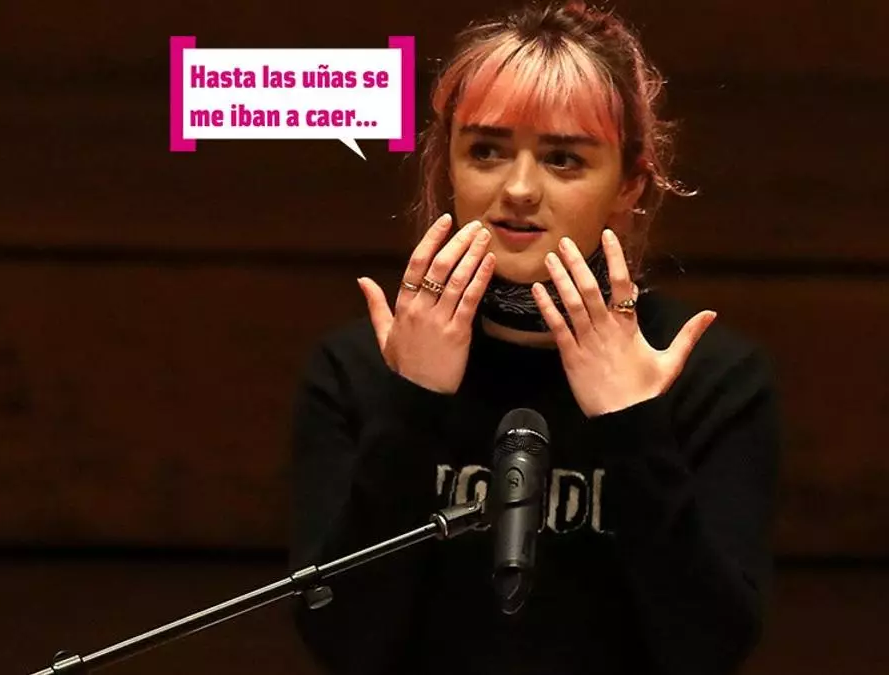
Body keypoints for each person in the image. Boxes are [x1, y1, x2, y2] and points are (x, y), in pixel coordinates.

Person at [288, 2, 782, 674]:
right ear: (449, 167)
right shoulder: (358, 368)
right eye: (486, 151)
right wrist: (413, 405)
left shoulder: (713, 379)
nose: (518, 189)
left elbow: (708, 650)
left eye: (563, 159)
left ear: (629, 183)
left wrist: (631, 424)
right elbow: (342, 642)